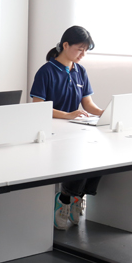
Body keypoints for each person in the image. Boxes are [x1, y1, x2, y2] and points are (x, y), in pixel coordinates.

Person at [30, 26, 104, 230]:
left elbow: (88, 104)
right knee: (77, 156)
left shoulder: (80, 71)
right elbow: (38, 106)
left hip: (75, 128)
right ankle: (64, 199)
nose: (83, 54)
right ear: (65, 45)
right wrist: (67, 115)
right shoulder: (46, 71)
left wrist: (104, 113)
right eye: (80, 49)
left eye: (86, 50)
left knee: (99, 155)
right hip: (53, 131)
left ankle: (78, 197)